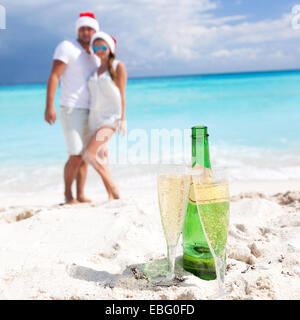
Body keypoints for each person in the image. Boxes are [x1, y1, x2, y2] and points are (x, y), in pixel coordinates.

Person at [44, 12, 100, 204]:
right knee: (75, 154)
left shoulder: (94, 54)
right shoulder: (67, 47)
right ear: (78, 29)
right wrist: (49, 105)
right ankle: (68, 196)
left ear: (95, 31)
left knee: (85, 156)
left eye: (90, 28)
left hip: (90, 111)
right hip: (70, 108)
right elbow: (54, 76)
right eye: (83, 28)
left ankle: (80, 195)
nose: (86, 32)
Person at [82, 32, 127, 200]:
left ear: (110, 48)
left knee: (89, 154)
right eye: (96, 47)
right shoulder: (95, 70)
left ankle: (114, 187)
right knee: (101, 157)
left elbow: (122, 95)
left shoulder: (117, 66)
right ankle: (110, 196)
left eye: (103, 47)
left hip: (111, 119)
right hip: (95, 119)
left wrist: (123, 119)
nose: (99, 50)